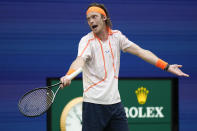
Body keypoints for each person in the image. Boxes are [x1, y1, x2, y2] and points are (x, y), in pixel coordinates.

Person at [60, 3, 189, 131]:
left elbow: (141, 51)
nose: (91, 21)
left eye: (94, 17)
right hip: (94, 106)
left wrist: (166, 66)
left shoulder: (117, 37)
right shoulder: (86, 41)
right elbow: (79, 60)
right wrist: (69, 74)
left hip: (115, 104)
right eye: (88, 19)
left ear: (104, 18)